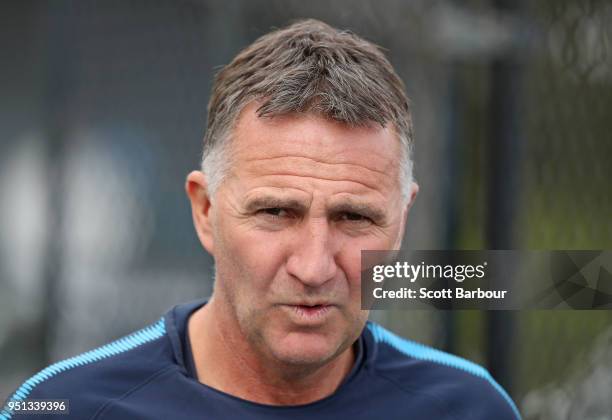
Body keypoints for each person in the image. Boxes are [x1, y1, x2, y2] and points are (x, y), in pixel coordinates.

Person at [2, 19, 521, 420]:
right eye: (276, 212)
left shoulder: (468, 407)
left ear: (402, 219)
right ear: (205, 211)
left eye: (354, 217)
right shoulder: (68, 406)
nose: (315, 267)